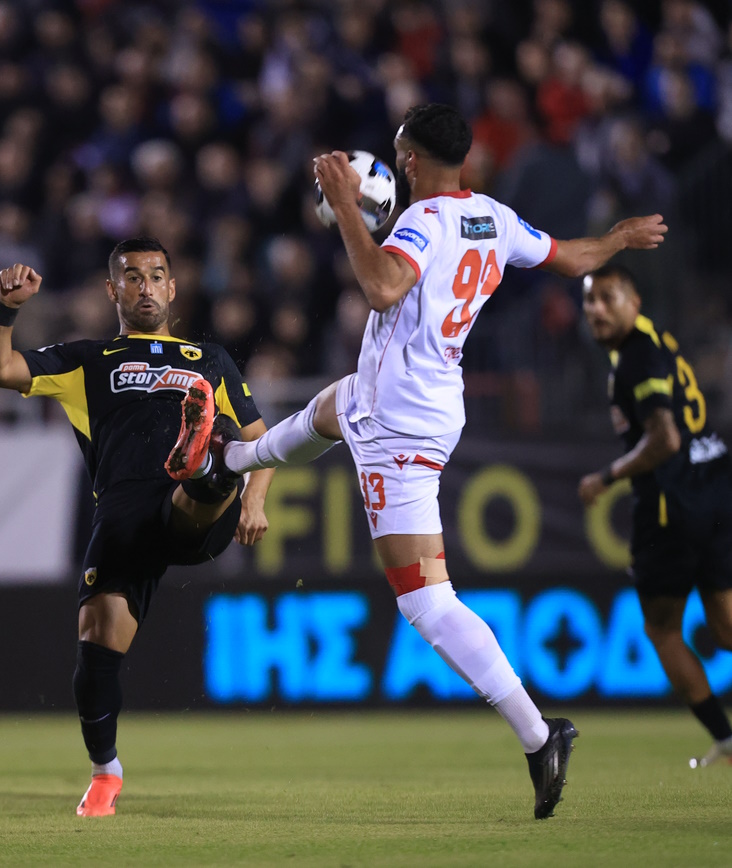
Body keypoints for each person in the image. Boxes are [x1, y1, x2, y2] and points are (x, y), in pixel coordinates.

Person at [212, 104, 667, 819]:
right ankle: (234, 460)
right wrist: (618, 238)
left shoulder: (422, 223)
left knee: (425, 601)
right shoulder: (494, 216)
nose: (395, 167)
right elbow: (574, 259)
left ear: (414, 161)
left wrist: (345, 212)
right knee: (330, 410)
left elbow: (383, 287)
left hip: (398, 424)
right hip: (416, 399)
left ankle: (540, 733)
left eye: (398, 156)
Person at [0, 237, 274, 817]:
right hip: (122, 513)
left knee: (218, 461)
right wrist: (7, 309)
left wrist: (255, 501)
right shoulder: (87, 360)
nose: (146, 287)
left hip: (190, 511)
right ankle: (105, 773)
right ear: (113, 290)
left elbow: (263, 441)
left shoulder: (208, 360)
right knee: (95, 644)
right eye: (132, 277)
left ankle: (204, 464)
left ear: (173, 287)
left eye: (157, 276)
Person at [578, 264, 732, 769]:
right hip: (713, 489)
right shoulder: (655, 339)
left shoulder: (635, 359)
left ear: (634, 300)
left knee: (663, 629)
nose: (596, 309)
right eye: (589, 300)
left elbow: (664, 438)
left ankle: (725, 741)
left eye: (608, 298)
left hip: (672, 508)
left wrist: (606, 476)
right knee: (727, 627)